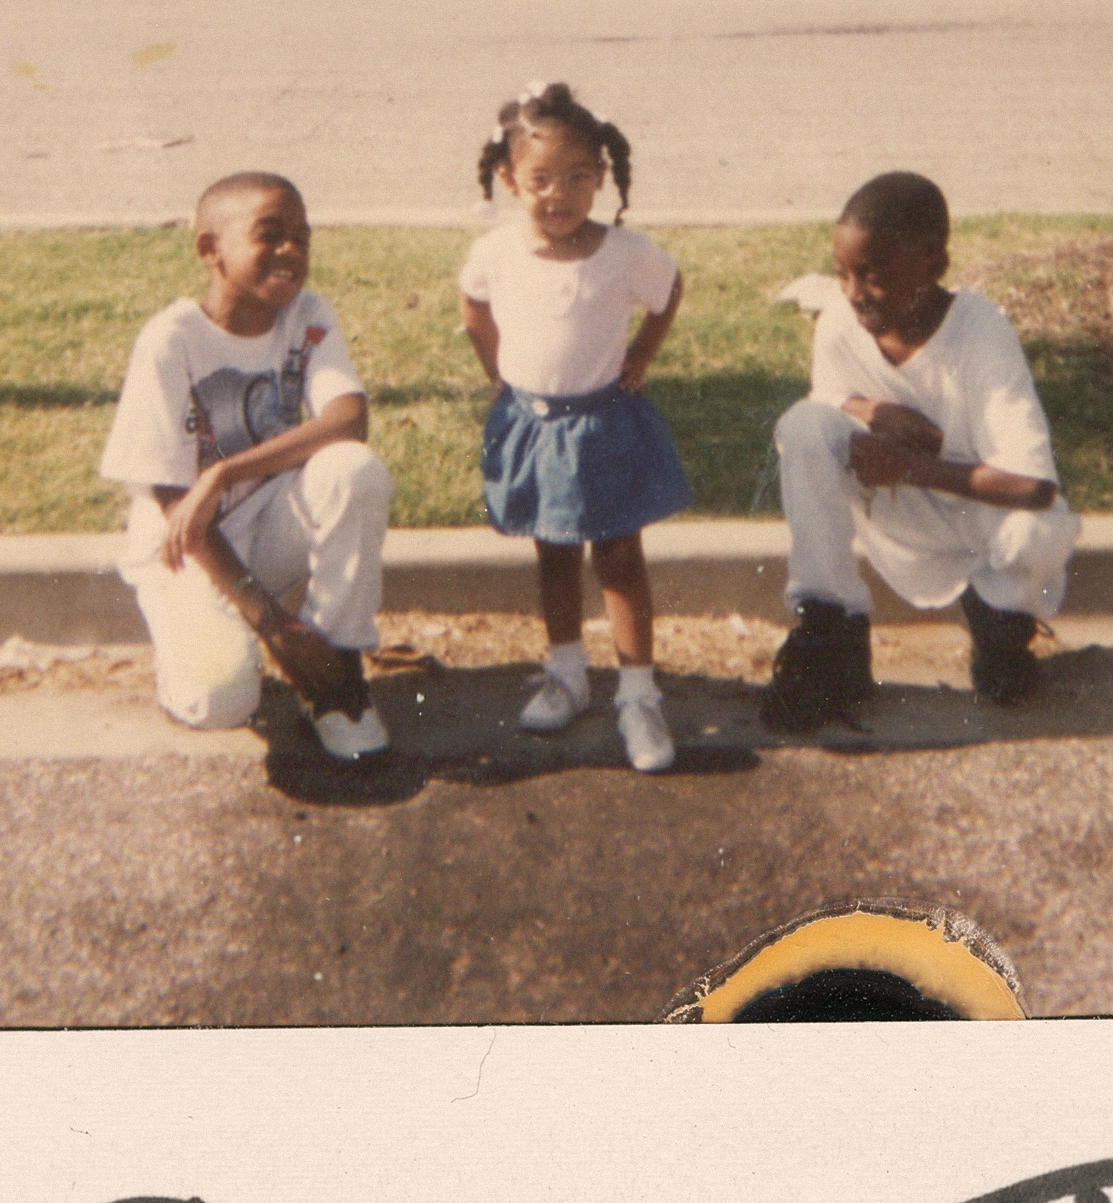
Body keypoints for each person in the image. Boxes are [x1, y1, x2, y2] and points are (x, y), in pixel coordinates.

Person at [759, 169, 1081, 732]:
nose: (853, 292)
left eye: (873, 274)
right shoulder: (841, 322)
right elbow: (824, 401)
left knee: (1037, 529)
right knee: (802, 428)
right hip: (898, 517)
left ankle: (1000, 623)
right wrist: (869, 410)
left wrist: (911, 467)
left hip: (980, 517)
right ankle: (831, 630)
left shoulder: (979, 331)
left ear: (933, 262)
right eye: (843, 273)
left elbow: (1035, 487)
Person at [99, 171, 392, 761]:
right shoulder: (170, 340)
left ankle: (334, 676)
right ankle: (198, 636)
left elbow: (348, 418)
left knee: (353, 470)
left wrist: (225, 472)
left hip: (268, 519)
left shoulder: (307, 313)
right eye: (270, 234)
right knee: (223, 700)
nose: (291, 251)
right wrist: (271, 624)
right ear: (211, 250)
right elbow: (175, 504)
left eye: (302, 238)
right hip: (188, 550)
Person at [459, 80, 691, 775]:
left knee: (619, 557)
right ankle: (566, 672)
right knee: (554, 551)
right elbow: (474, 305)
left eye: (578, 178)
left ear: (601, 178)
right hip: (533, 426)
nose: (558, 195)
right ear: (510, 180)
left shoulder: (624, 253)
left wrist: (642, 354)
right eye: (540, 180)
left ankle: (639, 694)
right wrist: (497, 371)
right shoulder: (496, 252)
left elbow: (669, 290)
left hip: (603, 425)